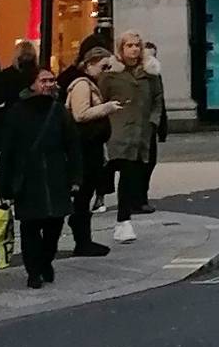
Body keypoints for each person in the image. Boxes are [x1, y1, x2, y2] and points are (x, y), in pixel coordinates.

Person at [0, 66, 80, 289]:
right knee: (30, 227)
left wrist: (75, 177)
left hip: (55, 175)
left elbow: (72, 146)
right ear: (32, 84)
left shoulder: (59, 110)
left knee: (55, 225)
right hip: (27, 178)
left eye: (51, 80)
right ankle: (33, 270)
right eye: (44, 80)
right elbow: (8, 151)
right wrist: (1, 188)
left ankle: (46, 260)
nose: (49, 85)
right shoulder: (18, 112)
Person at [101, 32, 161, 244]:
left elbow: (157, 99)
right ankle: (96, 205)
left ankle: (123, 221)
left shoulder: (150, 73)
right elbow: (100, 98)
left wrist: (153, 122)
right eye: (129, 45)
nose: (134, 49)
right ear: (121, 49)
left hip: (140, 134)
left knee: (130, 177)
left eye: (137, 45)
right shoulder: (110, 74)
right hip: (115, 132)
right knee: (104, 174)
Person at [63, 46, 122, 257]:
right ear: (89, 64)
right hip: (84, 148)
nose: (106, 70)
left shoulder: (88, 83)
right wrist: (107, 108)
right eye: (103, 66)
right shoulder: (81, 85)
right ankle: (82, 240)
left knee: (85, 195)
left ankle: (84, 238)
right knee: (82, 194)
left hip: (91, 147)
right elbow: (80, 114)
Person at [140, 41, 168, 212]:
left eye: (154, 55)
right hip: (136, 125)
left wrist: (159, 126)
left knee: (149, 162)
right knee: (138, 164)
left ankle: (142, 196)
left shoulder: (155, 74)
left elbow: (159, 102)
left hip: (150, 125)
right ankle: (137, 199)